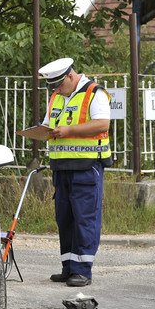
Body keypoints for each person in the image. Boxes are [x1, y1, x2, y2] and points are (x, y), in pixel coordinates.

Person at [38, 57, 111, 287]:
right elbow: (48, 124)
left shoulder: (94, 93)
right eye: (54, 87)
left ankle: (82, 270)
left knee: (84, 219)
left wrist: (68, 130)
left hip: (86, 167)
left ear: (70, 76)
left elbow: (102, 124)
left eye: (60, 85)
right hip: (61, 168)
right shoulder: (57, 96)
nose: (57, 90)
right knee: (65, 219)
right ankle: (68, 267)